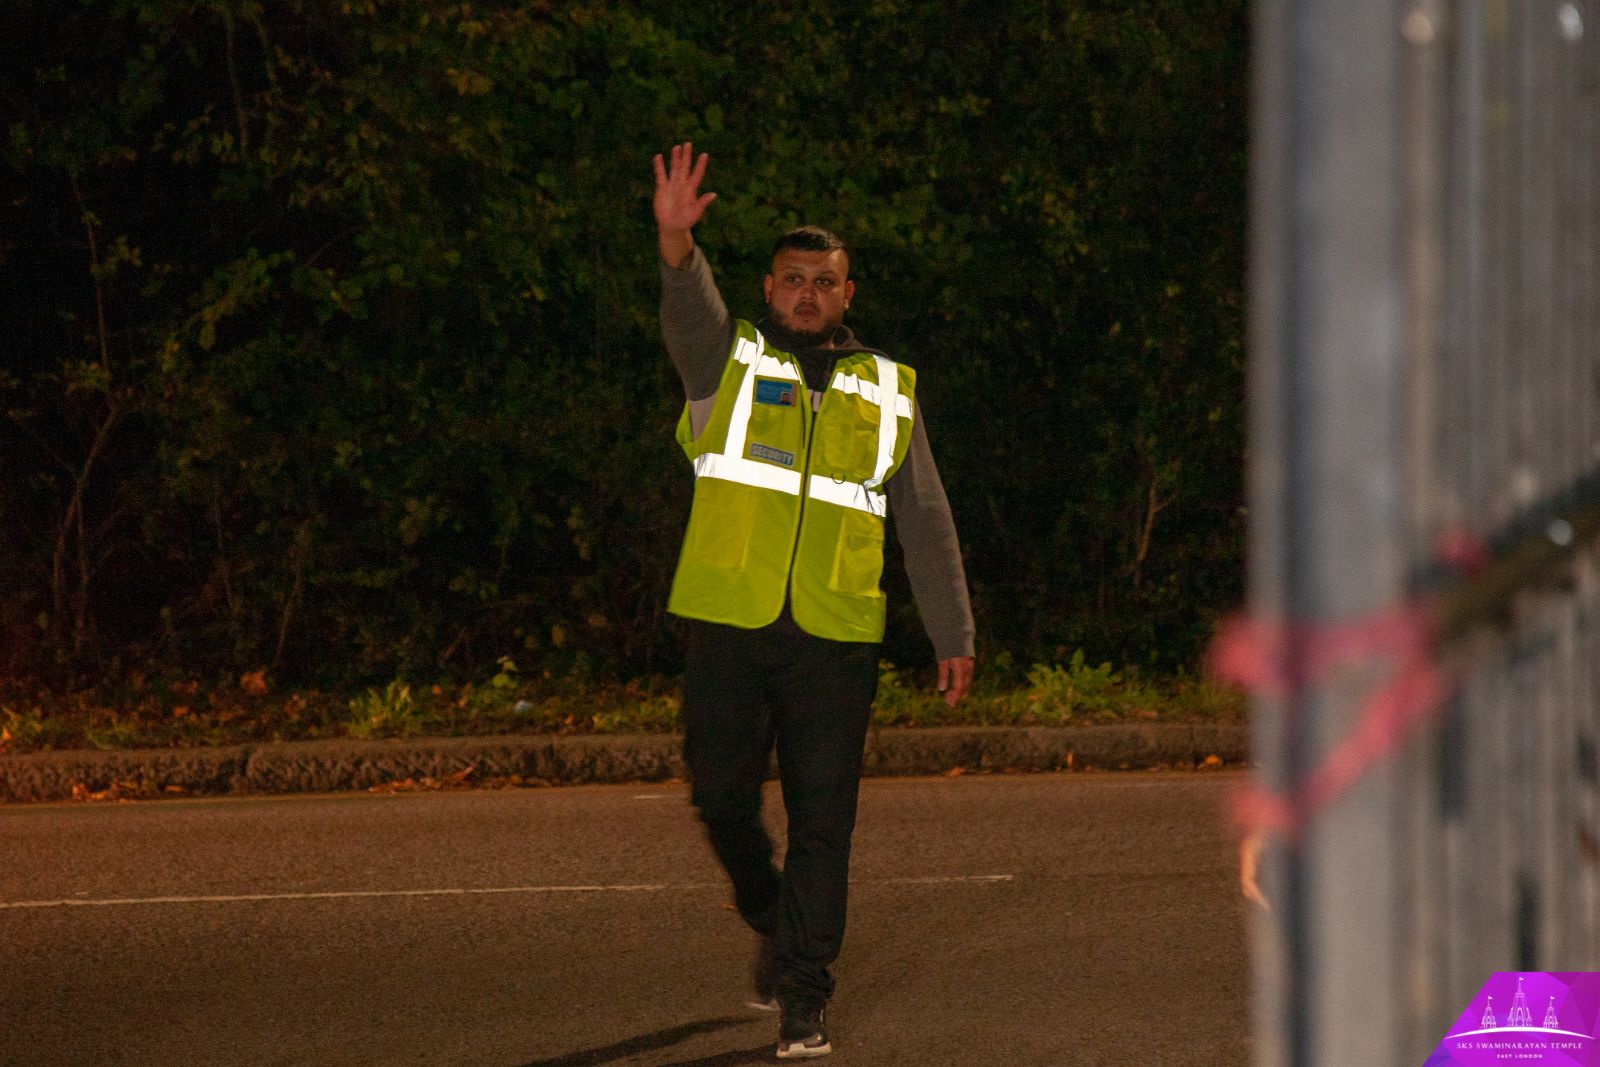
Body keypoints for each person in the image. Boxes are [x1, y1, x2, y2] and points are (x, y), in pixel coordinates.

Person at [651, 141, 976, 1059]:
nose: (806, 293)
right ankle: (766, 910)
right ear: (767, 286)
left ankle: (804, 996)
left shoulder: (886, 388)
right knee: (719, 797)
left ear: (846, 294)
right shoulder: (731, 366)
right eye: (792, 278)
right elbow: (687, 317)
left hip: (834, 637)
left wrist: (951, 630)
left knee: (825, 820)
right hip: (728, 623)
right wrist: (677, 244)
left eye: (823, 282)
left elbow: (926, 517)